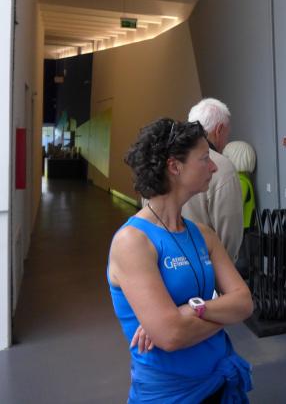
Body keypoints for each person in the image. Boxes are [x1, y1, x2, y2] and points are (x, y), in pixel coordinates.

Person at [107, 118, 254, 403]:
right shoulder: (133, 242)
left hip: (219, 382)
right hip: (169, 394)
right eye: (204, 159)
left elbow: (244, 303)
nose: (213, 167)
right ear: (175, 167)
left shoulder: (204, 235)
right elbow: (171, 335)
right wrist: (221, 313)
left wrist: (191, 310)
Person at [183, 99, 244, 262]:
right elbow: (229, 236)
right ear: (219, 130)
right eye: (227, 135)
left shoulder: (166, 163)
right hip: (208, 267)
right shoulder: (222, 167)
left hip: (168, 266)